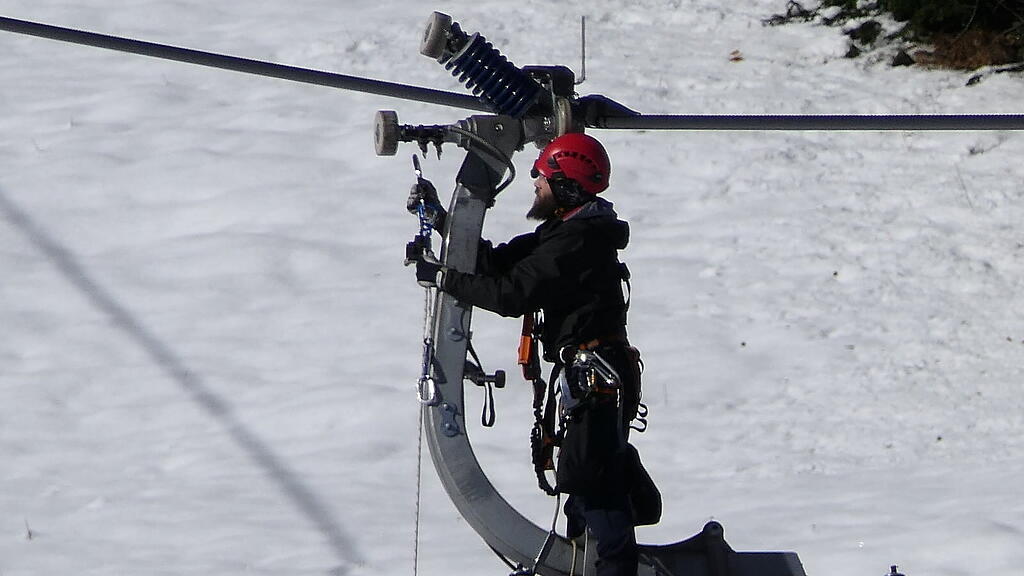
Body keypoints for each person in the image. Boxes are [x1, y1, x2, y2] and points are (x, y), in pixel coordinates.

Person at [410, 132, 655, 576]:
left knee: (593, 484)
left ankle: (616, 569)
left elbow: (511, 294)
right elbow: (498, 264)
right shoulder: (565, 235)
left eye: (543, 177)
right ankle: (594, 564)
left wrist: (444, 279)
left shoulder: (576, 244)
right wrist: (447, 224)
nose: (535, 183)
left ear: (567, 186)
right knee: (585, 484)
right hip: (590, 379)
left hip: (596, 380)